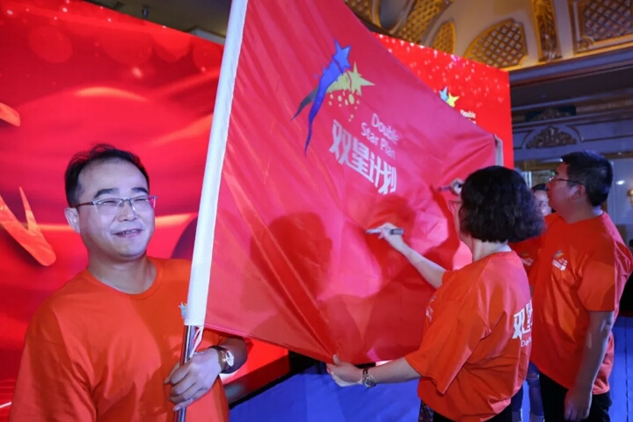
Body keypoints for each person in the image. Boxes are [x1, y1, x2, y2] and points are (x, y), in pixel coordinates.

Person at [9, 144, 247, 422]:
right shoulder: (59, 322)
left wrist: (218, 358)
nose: (129, 213)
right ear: (74, 219)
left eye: (139, 198)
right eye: (109, 202)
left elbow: (237, 343)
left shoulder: (191, 279)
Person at [327, 166, 544, 422]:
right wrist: (404, 248)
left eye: (457, 204)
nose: (454, 211)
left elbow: (426, 362)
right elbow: (449, 281)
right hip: (490, 406)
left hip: (461, 412)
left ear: (471, 214)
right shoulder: (506, 263)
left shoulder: (475, 286)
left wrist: (360, 377)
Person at [529, 151, 633, 422]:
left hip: (576, 377)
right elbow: (514, 223)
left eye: (557, 177)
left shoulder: (604, 249)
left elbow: (601, 325)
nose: (549, 183)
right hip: (550, 365)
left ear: (578, 191)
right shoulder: (556, 223)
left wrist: (583, 388)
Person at [510, 184, 550, 422]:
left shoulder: (554, 239)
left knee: (535, 380)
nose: (536, 209)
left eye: (542, 204)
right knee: (513, 379)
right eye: (532, 204)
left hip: (541, 322)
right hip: (516, 320)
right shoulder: (517, 238)